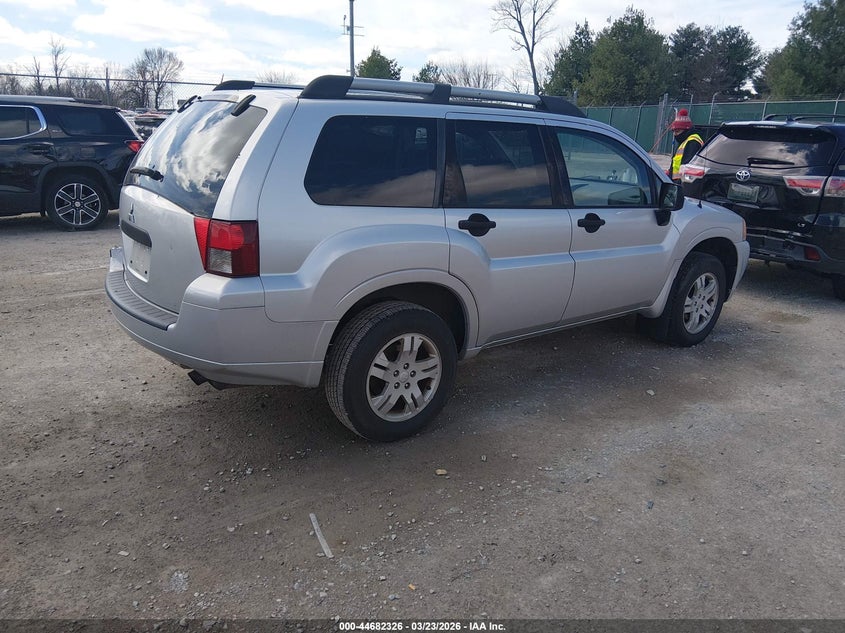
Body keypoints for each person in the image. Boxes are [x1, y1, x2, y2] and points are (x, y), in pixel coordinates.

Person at [668, 108, 703, 182]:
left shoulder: (693, 142)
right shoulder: (684, 141)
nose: (675, 134)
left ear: (686, 130)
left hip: (683, 184)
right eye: (674, 132)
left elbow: (687, 167)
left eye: (677, 131)